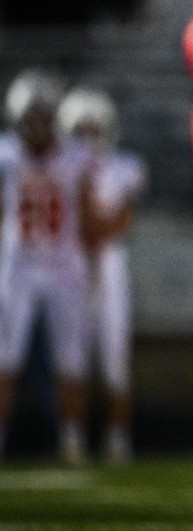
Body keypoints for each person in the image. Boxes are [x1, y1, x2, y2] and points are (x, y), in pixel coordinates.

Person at [0, 69, 108, 464]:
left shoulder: (75, 156)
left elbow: (87, 214)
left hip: (64, 268)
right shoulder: (6, 153)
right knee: (5, 359)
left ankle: (73, 440)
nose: (40, 127)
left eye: (46, 118)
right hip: (18, 268)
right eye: (33, 118)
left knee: (70, 361)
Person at [56, 85, 148, 464]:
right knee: (71, 359)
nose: (89, 138)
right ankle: (73, 439)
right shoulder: (58, 167)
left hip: (108, 269)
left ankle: (118, 439)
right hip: (70, 267)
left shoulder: (123, 167)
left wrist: (95, 224)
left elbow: (119, 223)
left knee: (114, 359)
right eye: (81, 129)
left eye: (95, 129)